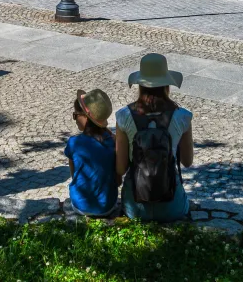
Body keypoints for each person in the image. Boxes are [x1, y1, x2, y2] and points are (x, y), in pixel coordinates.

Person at [115, 53, 193, 221]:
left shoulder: (123, 116)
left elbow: (120, 169)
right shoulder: (183, 116)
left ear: (140, 85)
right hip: (172, 207)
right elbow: (187, 161)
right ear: (167, 85)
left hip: (134, 207)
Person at [64, 88, 118, 217]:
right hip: (108, 206)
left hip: (80, 205)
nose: (75, 119)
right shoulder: (113, 142)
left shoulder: (74, 142)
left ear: (85, 117)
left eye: (75, 115)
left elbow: (74, 174)